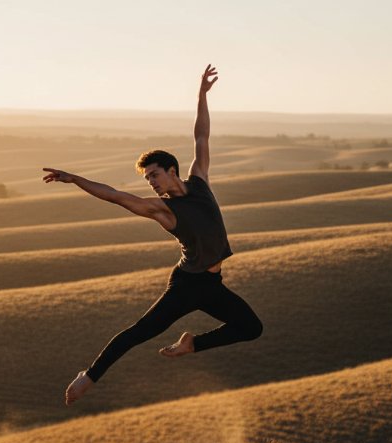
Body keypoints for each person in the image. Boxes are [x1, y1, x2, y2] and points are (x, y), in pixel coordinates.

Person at [42, 64, 263, 405]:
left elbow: (201, 136)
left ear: (172, 170)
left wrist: (202, 95)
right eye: (148, 180)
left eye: (155, 175)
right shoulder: (162, 210)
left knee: (251, 327)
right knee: (140, 332)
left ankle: (192, 344)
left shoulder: (200, 181)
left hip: (212, 285)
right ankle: (88, 376)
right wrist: (75, 179)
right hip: (187, 285)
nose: (153, 183)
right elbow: (115, 195)